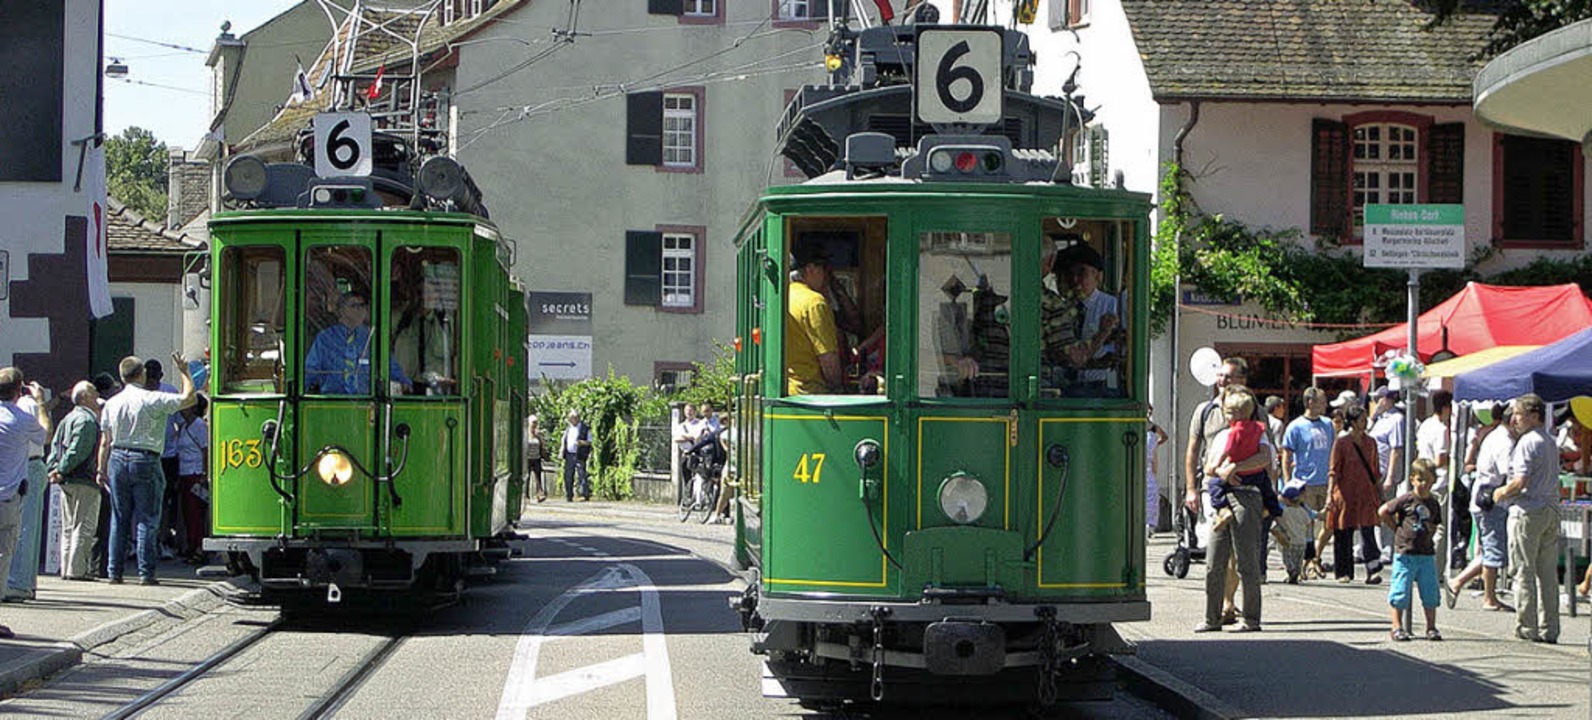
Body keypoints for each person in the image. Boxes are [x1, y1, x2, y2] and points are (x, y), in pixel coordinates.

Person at [96, 354, 196, 585]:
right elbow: (189, 399)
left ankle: (114, 571)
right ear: (142, 375)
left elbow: (105, 441)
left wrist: (101, 469)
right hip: (146, 457)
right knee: (147, 519)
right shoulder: (153, 399)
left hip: (118, 456)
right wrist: (184, 371)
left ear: (122, 377)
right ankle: (146, 572)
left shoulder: (112, 403)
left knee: (120, 518)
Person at [1192, 384, 1273, 634]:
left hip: (1247, 496)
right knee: (1214, 562)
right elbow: (1208, 467)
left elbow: (1265, 458)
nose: (1229, 417)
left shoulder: (1258, 433)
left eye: (1232, 412)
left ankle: (1251, 618)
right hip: (1222, 496)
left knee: (1246, 562)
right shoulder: (1221, 436)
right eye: (1227, 412)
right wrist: (1223, 472)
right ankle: (1211, 617)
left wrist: (1234, 467)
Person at [1493, 393, 1560, 644]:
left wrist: (1500, 493)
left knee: (1523, 571)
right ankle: (1550, 627)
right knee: (1548, 574)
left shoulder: (1528, 442)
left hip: (1527, 511)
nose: (1514, 420)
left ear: (1534, 415)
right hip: (1550, 509)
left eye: (1518, 414)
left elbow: (1520, 481)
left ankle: (1527, 627)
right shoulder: (1550, 441)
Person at [1447, 401, 1515, 612]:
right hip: (1492, 500)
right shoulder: (1504, 441)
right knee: (1493, 551)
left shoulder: (1494, 436)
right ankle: (1484, 594)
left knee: (1489, 549)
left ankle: (1472, 587)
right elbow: (1507, 473)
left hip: (1484, 498)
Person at [0, 368, 52, 630]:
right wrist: (41, 402)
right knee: (3, 554)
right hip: (7, 497)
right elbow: (45, 434)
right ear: (19, 391)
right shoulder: (20, 418)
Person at [1380, 458, 1445, 642]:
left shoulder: (1433, 503)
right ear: (1413, 479)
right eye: (1421, 480)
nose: (1424, 484)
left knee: (1430, 593)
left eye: (1429, 480)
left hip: (1425, 553)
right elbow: (1383, 511)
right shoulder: (1406, 499)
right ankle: (1396, 626)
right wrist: (1396, 528)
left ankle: (1431, 627)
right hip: (1405, 552)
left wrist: (1429, 534)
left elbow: (1435, 523)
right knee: (1400, 591)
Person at [45, 381, 102, 581]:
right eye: (94, 393)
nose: (97, 396)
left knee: (68, 527)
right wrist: (61, 469)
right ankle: (77, 570)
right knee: (84, 526)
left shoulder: (67, 418)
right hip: (83, 479)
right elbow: (78, 450)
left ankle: (67, 568)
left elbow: (55, 446)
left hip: (66, 481)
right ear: (84, 397)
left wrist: (53, 469)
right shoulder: (87, 421)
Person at [304, 291, 412, 395]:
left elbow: (388, 364)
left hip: (365, 402)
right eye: (354, 305)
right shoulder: (325, 338)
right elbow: (311, 369)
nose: (359, 309)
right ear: (341, 310)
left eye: (362, 305)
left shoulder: (371, 337)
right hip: (333, 400)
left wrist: (403, 382)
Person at [1207, 390, 1282, 533]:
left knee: (1214, 485)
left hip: (1237, 475)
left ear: (1236, 414)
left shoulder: (1234, 432)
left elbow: (1228, 450)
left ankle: (1222, 509)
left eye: (1228, 412)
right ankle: (1273, 512)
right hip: (1256, 475)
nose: (1225, 415)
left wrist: (1218, 466)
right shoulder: (1258, 428)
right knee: (1267, 489)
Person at [1325, 405, 1384, 584]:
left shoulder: (1371, 442)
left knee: (1368, 531)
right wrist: (1330, 494)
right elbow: (1333, 471)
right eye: (1361, 420)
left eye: (1366, 420)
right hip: (1345, 493)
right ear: (1352, 422)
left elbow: (1375, 470)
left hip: (1365, 492)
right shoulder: (1342, 443)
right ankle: (1343, 571)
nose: (1365, 423)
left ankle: (1372, 569)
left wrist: (1380, 494)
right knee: (1344, 531)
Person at [1280, 387, 1334, 578]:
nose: (1325, 405)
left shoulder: (1328, 424)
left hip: (1326, 480)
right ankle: (1307, 564)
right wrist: (1288, 483)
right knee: (1308, 525)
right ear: (1310, 403)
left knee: (1329, 523)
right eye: (1322, 401)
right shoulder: (1296, 426)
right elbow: (1286, 455)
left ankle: (1316, 557)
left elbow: (1333, 452)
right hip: (1304, 483)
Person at [1058, 244, 1120, 397]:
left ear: (1097, 276)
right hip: (1065, 386)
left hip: (1099, 387)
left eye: (1081, 273)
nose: (1075, 280)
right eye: (1071, 274)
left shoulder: (1112, 305)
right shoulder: (1062, 308)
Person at [785, 240, 842, 395]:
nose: (825, 275)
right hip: (810, 392)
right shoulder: (814, 302)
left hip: (788, 390)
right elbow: (827, 357)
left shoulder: (782, 299)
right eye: (823, 268)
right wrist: (839, 388)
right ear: (810, 269)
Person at [392, 274, 456, 395]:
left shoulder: (444, 321)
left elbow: (445, 350)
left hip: (436, 386)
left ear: (437, 296)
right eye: (421, 292)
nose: (425, 297)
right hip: (408, 384)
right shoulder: (405, 319)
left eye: (430, 292)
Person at [1368, 386, 1406, 560]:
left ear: (1387, 399)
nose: (1375, 402)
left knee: (1386, 509)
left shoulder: (1397, 419)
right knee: (1371, 510)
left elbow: (1396, 449)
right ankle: (1371, 546)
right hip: (1373, 472)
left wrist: (1390, 476)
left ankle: (1386, 548)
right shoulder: (1379, 419)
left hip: (1384, 472)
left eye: (1379, 399)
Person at [173, 395, 209, 565]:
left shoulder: (199, 425)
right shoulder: (183, 426)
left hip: (195, 473)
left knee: (196, 513)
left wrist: (204, 473)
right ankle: (191, 545)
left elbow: (205, 449)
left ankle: (199, 548)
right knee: (188, 513)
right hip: (184, 473)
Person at [1272, 480, 1314, 584]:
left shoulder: (1284, 512)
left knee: (1288, 559)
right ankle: (1296, 573)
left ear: (1287, 500)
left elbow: (1279, 522)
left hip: (1289, 541)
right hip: (1301, 541)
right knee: (1298, 560)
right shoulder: (1303, 512)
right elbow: (1309, 523)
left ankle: (1292, 572)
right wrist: (1308, 537)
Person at [1146, 406, 1169, 536]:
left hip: (1148, 462)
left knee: (1151, 494)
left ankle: (1149, 525)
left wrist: (1155, 444)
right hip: (1145, 460)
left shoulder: (1152, 427)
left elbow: (1164, 436)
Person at [560, 410, 592, 502]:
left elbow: (590, 442)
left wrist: (582, 443)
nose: (570, 420)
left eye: (572, 418)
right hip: (569, 455)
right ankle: (569, 495)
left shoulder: (585, 428)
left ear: (577, 418)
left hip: (580, 454)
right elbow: (564, 440)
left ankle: (584, 494)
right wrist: (562, 450)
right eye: (569, 418)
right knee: (568, 475)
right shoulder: (568, 429)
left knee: (581, 474)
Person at [525, 416, 546, 503]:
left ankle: (540, 494)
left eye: (535, 423)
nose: (534, 425)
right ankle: (526, 495)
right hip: (527, 459)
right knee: (527, 477)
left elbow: (542, 446)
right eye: (533, 423)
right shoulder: (525, 435)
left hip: (536, 458)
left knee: (538, 477)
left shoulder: (538, 435)